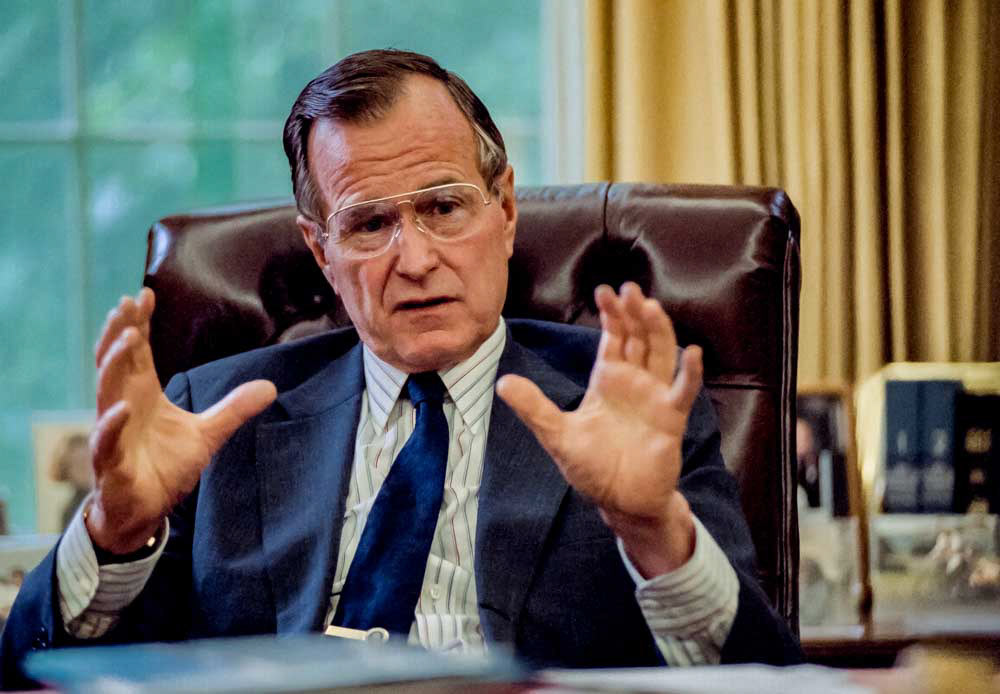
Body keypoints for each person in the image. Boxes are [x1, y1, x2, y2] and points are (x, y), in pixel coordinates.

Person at [0, 49, 800, 689]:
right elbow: (33, 664)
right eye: (369, 224)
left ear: (506, 210)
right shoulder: (218, 415)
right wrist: (115, 532)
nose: (413, 259)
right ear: (322, 250)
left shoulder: (621, 398)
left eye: (445, 208)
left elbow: (757, 674)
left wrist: (650, 528)